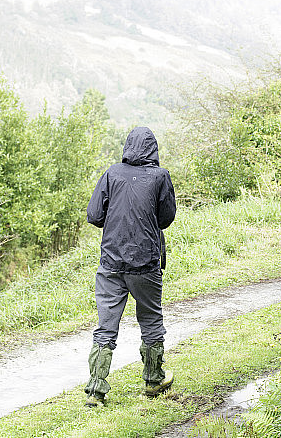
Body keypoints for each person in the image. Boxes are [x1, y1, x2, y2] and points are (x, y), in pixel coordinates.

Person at [83, 126, 176, 408]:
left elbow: (94, 215)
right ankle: (153, 380)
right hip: (145, 262)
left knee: (106, 327)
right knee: (150, 319)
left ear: (127, 147)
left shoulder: (112, 174)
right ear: (153, 149)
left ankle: (95, 391)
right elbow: (166, 219)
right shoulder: (160, 177)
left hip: (111, 262)